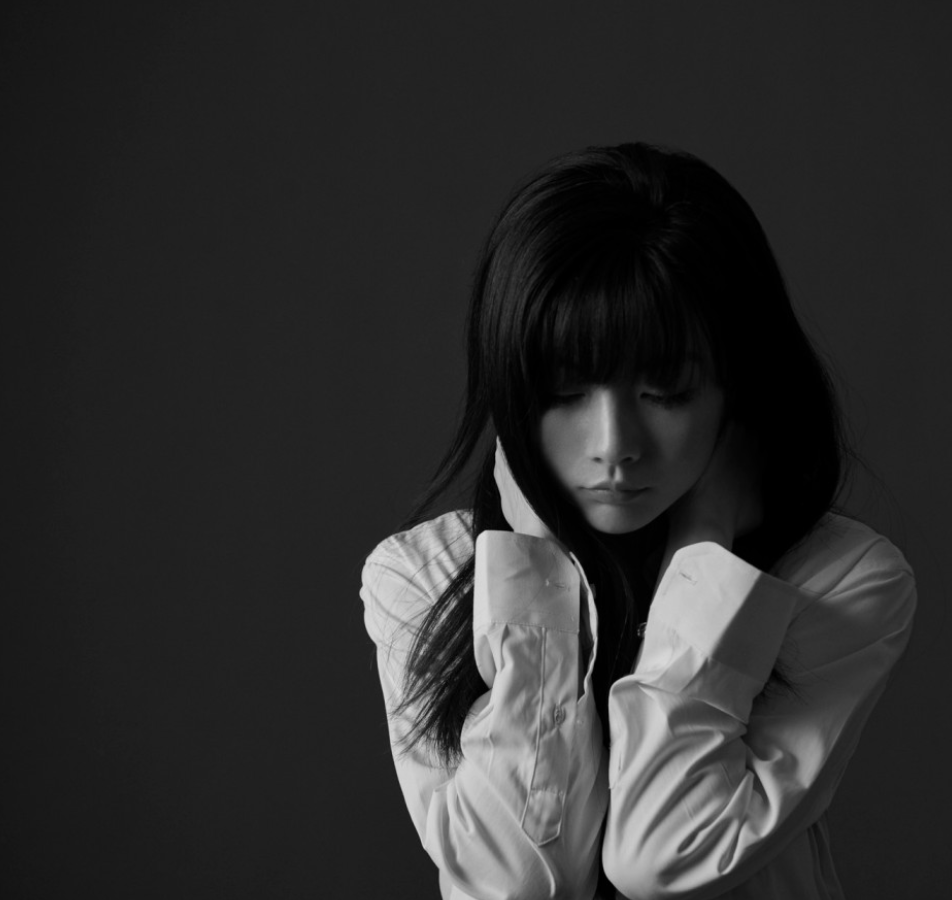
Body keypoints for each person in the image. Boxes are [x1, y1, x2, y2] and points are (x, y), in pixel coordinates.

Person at [359, 142, 917, 900]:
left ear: (737, 386)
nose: (614, 445)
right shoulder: (424, 578)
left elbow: (665, 857)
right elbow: (511, 884)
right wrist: (533, 582)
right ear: (512, 388)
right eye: (565, 392)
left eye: (667, 392)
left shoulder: (841, 581)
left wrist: (706, 548)